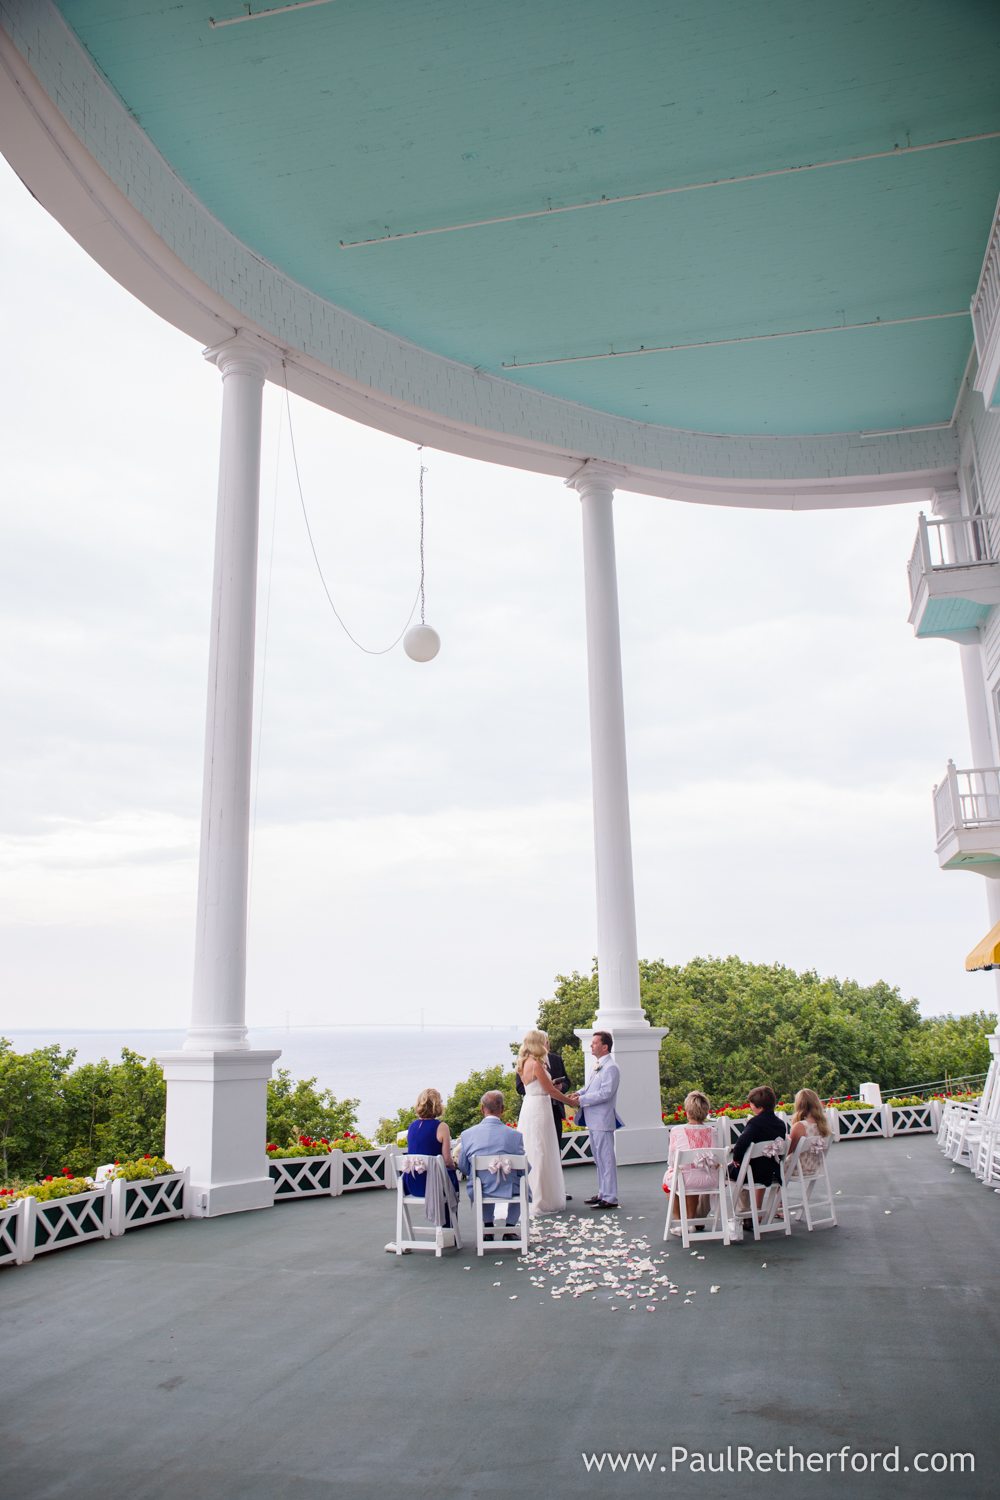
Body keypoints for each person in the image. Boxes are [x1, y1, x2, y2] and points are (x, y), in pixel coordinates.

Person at [456, 1090, 526, 1240]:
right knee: (524, 1184)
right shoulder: (515, 1135)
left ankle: (488, 1228)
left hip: (481, 1188)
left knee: (480, 1180)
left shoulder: (467, 1134)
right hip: (509, 1187)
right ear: (502, 1109)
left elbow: (463, 1166)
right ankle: (510, 1229)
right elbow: (523, 1168)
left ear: (482, 1109)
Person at [515, 1029, 568, 1216]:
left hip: (530, 1106)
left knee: (534, 1149)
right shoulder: (536, 1064)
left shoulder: (523, 1063)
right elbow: (550, 1091)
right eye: (544, 1041)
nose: (547, 1044)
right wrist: (571, 1102)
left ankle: (534, 1194)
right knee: (541, 1150)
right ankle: (540, 1198)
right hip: (540, 1107)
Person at [568, 1031, 623, 1209]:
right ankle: (602, 1192)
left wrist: (582, 1100)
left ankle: (610, 1197)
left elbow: (606, 1093)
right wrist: (578, 1093)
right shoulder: (597, 1065)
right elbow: (590, 1087)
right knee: (599, 1159)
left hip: (602, 1120)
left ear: (605, 1046)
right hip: (593, 1119)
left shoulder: (611, 1067)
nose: (591, 1045)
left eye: (595, 1043)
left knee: (606, 1159)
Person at [727, 1084, 787, 1213]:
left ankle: (745, 1213)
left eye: (751, 1104)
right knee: (740, 1169)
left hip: (754, 1173)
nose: (750, 1106)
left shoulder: (755, 1123)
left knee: (731, 1171)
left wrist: (736, 1159)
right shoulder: (781, 1124)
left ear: (759, 1107)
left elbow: (740, 1146)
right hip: (772, 1171)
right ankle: (749, 1213)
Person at [662, 1090, 716, 1223]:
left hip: (686, 1180)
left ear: (687, 1111)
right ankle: (691, 1221)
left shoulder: (676, 1131)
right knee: (694, 1175)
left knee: (671, 1179)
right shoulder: (713, 1131)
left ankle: (679, 1222)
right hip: (712, 1180)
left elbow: (672, 1161)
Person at [403, 1088, 458, 1214]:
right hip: (433, 1186)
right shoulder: (441, 1127)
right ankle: (449, 1224)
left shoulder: (412, 1126)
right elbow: (447, 1160)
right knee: (451, 1179)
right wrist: (455, 1166)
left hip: (412, 1184)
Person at [787, 1088, 831, 1175]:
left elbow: (787, 1151)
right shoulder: (822, 1125)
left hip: (797, 1168)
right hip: (814, 1167)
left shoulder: (800, 1126)